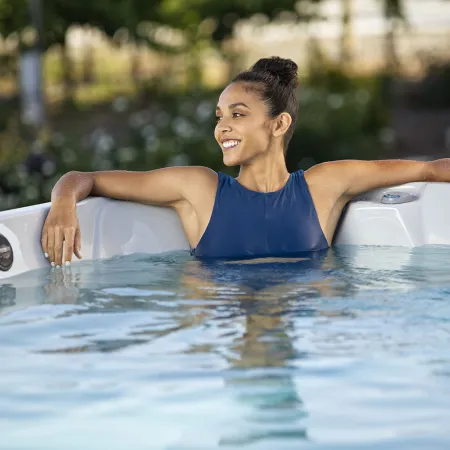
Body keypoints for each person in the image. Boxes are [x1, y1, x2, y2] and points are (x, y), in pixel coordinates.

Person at [41, 56, 449, 267]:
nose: (222, 128)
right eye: (219, 116)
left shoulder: (325, 184)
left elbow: (429, 170)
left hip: (305, 328)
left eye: (237, 114)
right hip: (222, 328)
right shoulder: (197, 189)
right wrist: (62, 205)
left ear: (278, 124)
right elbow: (83, 177)